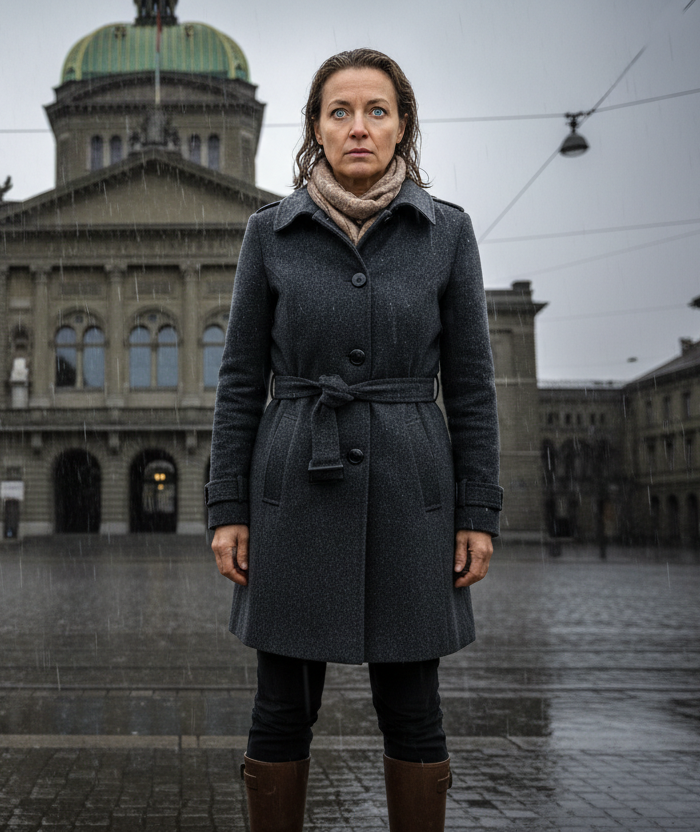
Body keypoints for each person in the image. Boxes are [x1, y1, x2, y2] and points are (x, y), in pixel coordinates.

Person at [205, 48, 502, 832]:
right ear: (315, 128)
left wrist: (480, 510)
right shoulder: (269, 233)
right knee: (279, 708)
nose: (359, 127)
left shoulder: (448, 234)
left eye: (377, 110)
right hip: (295, 478)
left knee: (413, 709)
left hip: (413, 488)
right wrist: (226, 505)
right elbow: (239, 382)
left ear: (403, 126)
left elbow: (472, 386)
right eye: (340, 111)